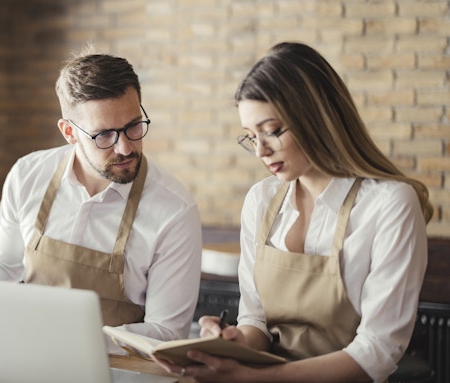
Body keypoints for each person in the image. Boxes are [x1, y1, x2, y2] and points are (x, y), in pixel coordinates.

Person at [154, 42, 432, 382]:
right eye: (250, 136)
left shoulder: (390, 204)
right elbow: (256, 321)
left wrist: (252, 378)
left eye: (271, 131)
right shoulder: (261, 199)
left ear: (315, 117)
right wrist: (231, 342)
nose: (260, 150)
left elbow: (377, 351)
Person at [0, 50, 203, 351]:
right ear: (69, 132)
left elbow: (166, 332)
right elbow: (4, 264)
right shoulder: (28, 175)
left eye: (134, 126)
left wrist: (63, 341)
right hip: (31, 362)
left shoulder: (173, 210)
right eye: (104, 135)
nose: (125, 147)